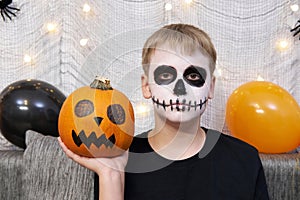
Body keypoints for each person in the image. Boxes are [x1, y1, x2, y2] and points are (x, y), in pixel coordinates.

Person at [58, 23, 269, 200]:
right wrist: (111, 176)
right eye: (166, 76)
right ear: (147, 86)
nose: (180, 90)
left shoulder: (244, 159)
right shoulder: (121, 159)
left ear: (211, 87)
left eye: (193, 76)